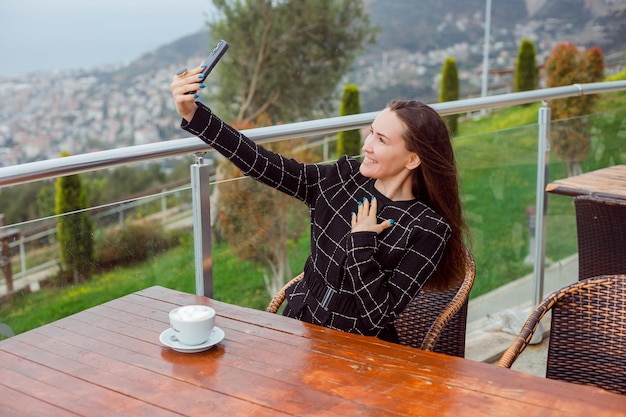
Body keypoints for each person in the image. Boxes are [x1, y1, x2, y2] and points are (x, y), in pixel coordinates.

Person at [170, 66, 469, 343]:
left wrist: (362, 243)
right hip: (298, 330)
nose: (366, 145)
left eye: (381, 139)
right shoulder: (341, 180)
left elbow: (376, 318)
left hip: (358, 354)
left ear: (413, 159)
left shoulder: (428, 229)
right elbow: (262, 164)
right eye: (370, 132)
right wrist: (195, 115)